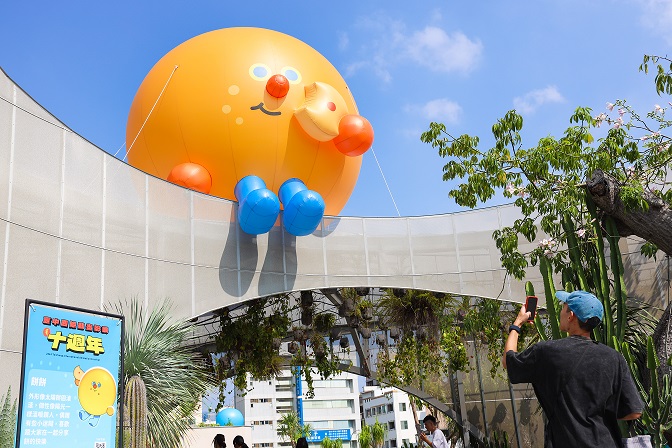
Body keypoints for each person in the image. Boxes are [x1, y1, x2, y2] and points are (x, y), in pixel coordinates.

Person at [503, 290, 643, 447]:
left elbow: (510, 363)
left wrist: (517, 324)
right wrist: (595, 415)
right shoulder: (615, 358)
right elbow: (634, 411)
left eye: (563, 307)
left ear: (571, 316)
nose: (561, 312)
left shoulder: (547, 352)